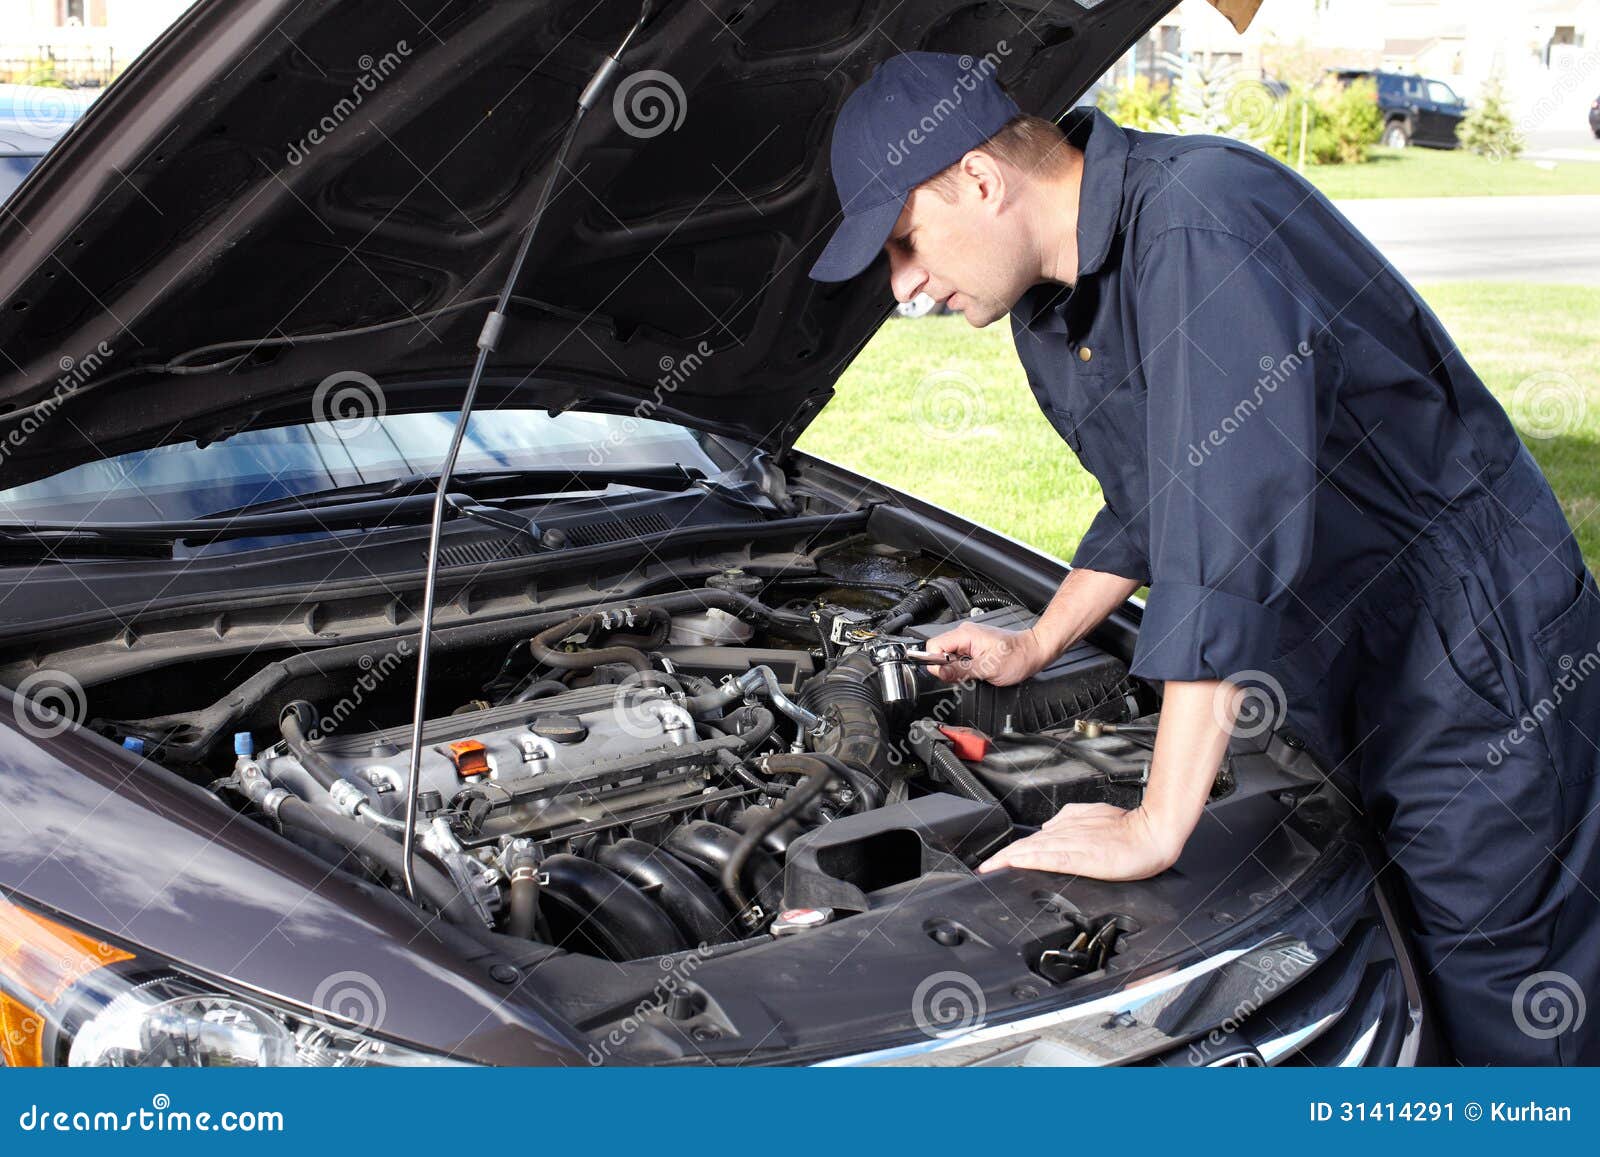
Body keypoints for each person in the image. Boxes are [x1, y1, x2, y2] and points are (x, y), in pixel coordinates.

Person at [807, 51, 1600, 1064]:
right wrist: (1036, 642)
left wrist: (1155, 823)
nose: (903, 284)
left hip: (1475, 656)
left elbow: (1227, 534)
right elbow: (1151, 500)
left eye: (903, 240)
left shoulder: (1201, 223)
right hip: (1342, 653)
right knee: (1398, 952)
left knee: (1504, 990)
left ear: (977, 177)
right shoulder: (1057, 304)